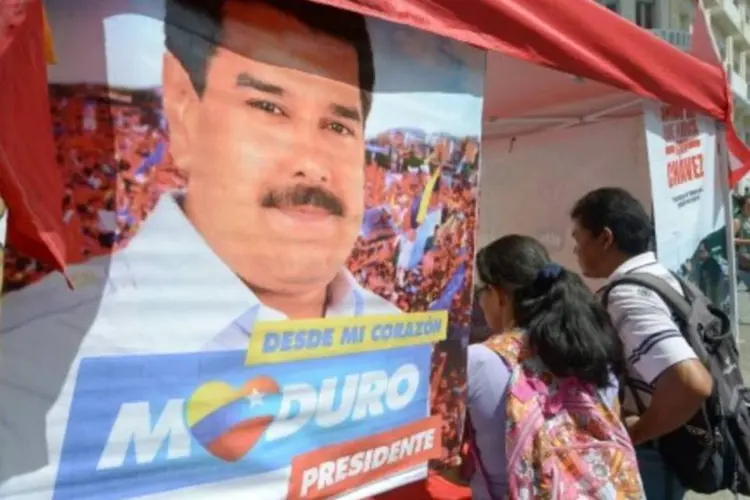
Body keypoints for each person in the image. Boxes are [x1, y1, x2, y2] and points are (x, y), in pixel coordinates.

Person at [0, 0, 400, 496]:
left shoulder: (394, 337)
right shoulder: (31, 358)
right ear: (184, 110)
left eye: (339, 126)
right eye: (270, 108)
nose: (313, 164)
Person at [466, 234, 640, 499]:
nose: (479, 302)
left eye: (481, 291)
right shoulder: (590, 348)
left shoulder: (479, 361)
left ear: (500, 295)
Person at [570, 186, 713, 499]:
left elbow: (691, 382)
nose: (575, 250)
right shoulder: (662, 275)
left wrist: (637, 433)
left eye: (578, 238)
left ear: (605, 238)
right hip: (673, 444)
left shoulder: (628, 296)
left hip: (654, 453)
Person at [734, 195, 750, 290]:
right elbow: (731, 240)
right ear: (743, 206)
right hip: (745, 262)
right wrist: (748, 242)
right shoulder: (737, 221)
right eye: (749, 204)